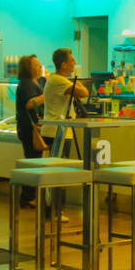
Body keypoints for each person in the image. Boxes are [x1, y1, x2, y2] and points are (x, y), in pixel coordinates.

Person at [43, 48, 88, 223]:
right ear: (63, 64)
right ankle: (54, 210)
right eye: (71, 60)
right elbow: (84, 93)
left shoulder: (57, 80)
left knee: (57, 171)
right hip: (58, 132)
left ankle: (54, 209)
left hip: (57, 130)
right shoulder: (59, 81)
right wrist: (78, 83)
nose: (74, 62)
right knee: (58, 173)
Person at [15, 55, 46, 209]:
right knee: (33, 162)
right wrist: (45, 96)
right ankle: (27, 197)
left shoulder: (38, 82)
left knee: (34, 161)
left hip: (35, 127)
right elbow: (28, 104)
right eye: (37, 65)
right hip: (29, 128)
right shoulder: (26, 84)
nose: (40, 67)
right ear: (29, 68)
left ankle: (30, 196)